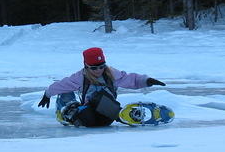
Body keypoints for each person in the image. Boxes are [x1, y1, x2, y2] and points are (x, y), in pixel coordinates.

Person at [37, 46, 166, 127]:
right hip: (88, 114)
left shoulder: (112, 75)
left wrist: (147, 80)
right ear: (86, 66)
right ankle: (69, 108)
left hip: (108, 115)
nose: (98, 70)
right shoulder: (80, 77)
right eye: (94, 68)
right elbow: (62, 84)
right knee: (86, 107)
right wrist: (48, 93)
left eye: (101, 66)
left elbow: (131, 79)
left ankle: (124, 115)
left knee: (99, 99)